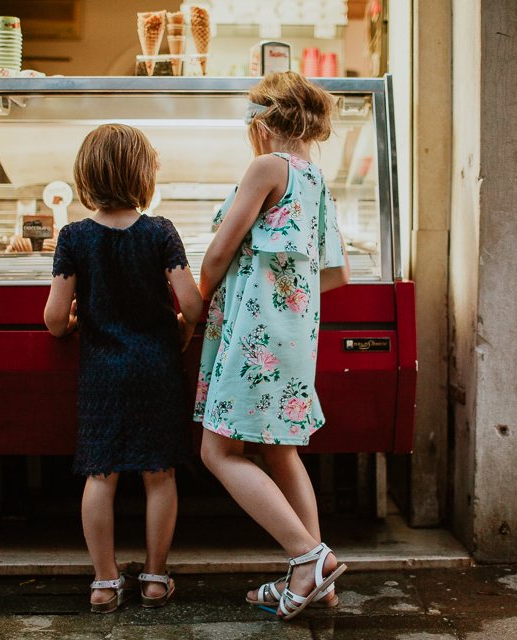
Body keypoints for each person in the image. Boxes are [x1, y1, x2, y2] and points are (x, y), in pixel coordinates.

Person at [193, 72, 351, 620]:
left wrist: (205, 299)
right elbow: (338, 275)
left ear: (262, 125)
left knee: (217, 451)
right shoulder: (317, 182)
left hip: (254, 338)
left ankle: (309, 557)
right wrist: (285, 293)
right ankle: (315, 582)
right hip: (292, 340)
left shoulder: (266, 167)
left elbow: (216, 255)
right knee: (280, 450)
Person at [45, 124, 202, 613]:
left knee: (101, 474)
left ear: (86, 173)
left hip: (102, 374)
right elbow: (194, 305)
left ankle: (105, 582)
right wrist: (181, 326)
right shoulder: (160, 232)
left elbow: (54, 319)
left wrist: (71, 320)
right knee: (159, 474)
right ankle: (155, 579)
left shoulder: (73, 236)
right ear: (142, 173)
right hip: (156, 367)